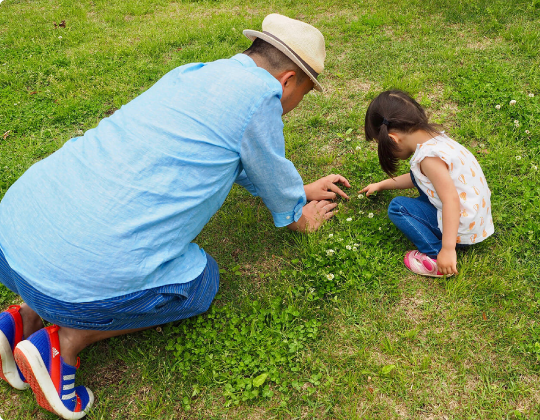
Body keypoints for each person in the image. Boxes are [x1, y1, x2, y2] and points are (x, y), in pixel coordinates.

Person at [0, 14, 350, 419]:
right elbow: (266, 166)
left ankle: (19, 320)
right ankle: (67, 341)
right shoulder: (261, 98)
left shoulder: (192, 74)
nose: (296, 104)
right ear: (289, 80)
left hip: (11, 241)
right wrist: (299, 217)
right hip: (79, 276)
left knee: (81, 244)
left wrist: (298, 191)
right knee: (201, 284)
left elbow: (232, 156)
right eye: (305, 93)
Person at [359, 90, 494, 277]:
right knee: (419, 182)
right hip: (476, 217)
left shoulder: (429, 159)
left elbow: (451, 201)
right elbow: (417, 178)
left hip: (461, 227)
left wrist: (447, 249)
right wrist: (381, 184)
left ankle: (435, 254)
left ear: (392, 138)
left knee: (398, 207)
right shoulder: (437, 140)